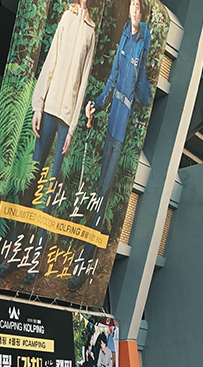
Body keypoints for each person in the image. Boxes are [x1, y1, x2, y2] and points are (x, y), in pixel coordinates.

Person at [0, 0, 96, 281]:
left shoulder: (91, 31)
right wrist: (38, 105)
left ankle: (34, 260)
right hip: (49, 108)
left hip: (66, 118)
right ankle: (13, 252)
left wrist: (73, 128)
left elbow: (84, 81)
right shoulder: (66, 18)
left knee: (50, 192)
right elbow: (51, 60)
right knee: (31, 183)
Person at [69, 0, 153, 292]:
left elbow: (144, 96)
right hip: (108, 125)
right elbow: (113, 79)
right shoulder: (125, 39)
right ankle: (79, 251)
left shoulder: (142, 41)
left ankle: (85, 261)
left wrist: (140, 73)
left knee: (103, 194)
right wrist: (97, 103)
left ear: (142, 13)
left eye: (137, 7)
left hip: (121, 135)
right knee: (94, 191)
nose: (133, 10)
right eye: (132, 6)